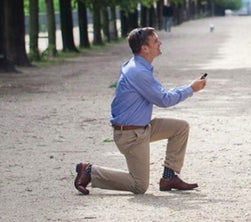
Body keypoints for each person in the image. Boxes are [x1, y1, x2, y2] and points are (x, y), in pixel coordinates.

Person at [73, 27, 207, 195]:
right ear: (145, 48)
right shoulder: (138, 72)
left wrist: (189, 87)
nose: (160, 43)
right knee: (139, 185)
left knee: (180, 127)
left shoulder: (136, 66)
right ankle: (90, 172)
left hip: (140, 128)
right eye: (156, 41)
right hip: (132, 135)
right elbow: (163, 100)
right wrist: (191, 89)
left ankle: (169, 177)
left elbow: (161, 93)